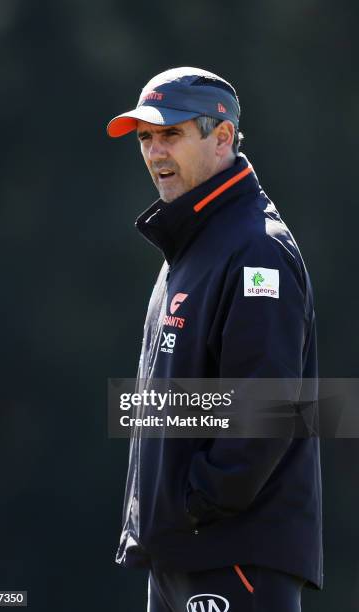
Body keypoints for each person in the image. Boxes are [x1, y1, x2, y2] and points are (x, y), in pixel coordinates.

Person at [107, 67, 323, 612]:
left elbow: (266, 411)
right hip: (180, 556)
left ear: (222, 137)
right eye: (145, 138)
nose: (156, 152)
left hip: (232, 560)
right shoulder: (190, 245)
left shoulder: (256, 250)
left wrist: (191, 503)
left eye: (171, 134)